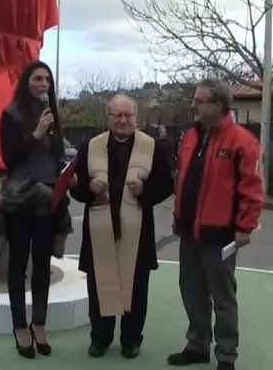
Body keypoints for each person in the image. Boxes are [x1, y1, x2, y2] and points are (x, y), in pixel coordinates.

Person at [168, 79, 263, 370]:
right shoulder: (191, 137)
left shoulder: (242, 141)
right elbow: (184, 181)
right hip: (189, 232)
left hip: (219, 235)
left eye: (199, 100)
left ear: (218, 106)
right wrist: (178, 217)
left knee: (222, 298)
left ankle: (226, 355)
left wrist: (244, 227)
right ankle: (197, 345)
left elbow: (252, 188)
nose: (193, 105)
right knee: (192, 290)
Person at [70, 94, 173, 359]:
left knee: (137, 288)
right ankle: (100, 338)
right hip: (99, 229)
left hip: (138, 230)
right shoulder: (89, 147)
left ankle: (131, 340)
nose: (123, 120)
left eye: (128, 115)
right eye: (117, 115)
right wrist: (88, 188)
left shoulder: (153, 148)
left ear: (136, 118)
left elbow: (166, 186)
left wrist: (145, 189)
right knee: (98, 286)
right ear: (108, 118)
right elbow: (76, 188)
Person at [0, 61, 66, 359]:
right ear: (26, 82)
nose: (43, 85)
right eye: (37, 79)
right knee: (19, 264)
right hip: (20, 198)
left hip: (48, 198)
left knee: (42, 264)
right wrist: (36, 133)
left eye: (47, 80)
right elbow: (10, 159)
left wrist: (65, 171)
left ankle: (39, 322)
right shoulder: (11, 115)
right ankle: (19, 327)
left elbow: (58, 155)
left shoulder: (52, 115)